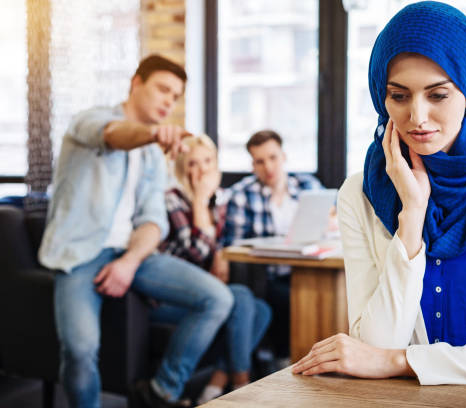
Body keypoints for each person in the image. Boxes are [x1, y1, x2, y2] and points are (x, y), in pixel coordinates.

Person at [293, 1, 466, 385]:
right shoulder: (360, 194)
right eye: (399, 95)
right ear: (382, 98)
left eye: (438, 95)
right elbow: (374, 343)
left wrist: (400, 362)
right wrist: (411, 213)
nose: (418, 116)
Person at [38, 55, 234, 408]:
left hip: (134, 255)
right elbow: (115, 135)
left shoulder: (153, 158)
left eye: (175, 97)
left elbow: (152, 222)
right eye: (162, 89)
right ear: (135, 83)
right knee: (81, 348)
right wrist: (153, 134)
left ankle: (161, 392)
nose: (168, 102)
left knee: (218, 298)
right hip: (79, 255)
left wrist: (129, 261)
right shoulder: (91, 120)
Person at [158, 134, 271, 403]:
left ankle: (215, 385)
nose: (203, 170)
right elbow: (196, 252)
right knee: (243, 297)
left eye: (208, 161)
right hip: (172, 296)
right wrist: (198, 200)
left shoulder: (218, 201)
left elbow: (223, 242)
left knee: (262, 310)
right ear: (182, 168)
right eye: (193, 164)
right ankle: (241, 386)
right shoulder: (172, 200)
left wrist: (220, 253)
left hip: (208, 291)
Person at [220, 130, 323, 361]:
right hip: (267, 275)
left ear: (283, 156)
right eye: (260, 161)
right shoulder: (242, 195)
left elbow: (332, 225)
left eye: (273, 158)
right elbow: (234, 247)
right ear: (252, 165)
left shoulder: (308, 187)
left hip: (307, 270)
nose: (268, 167)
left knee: (323, 296)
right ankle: (284, 360)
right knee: (288, 297)